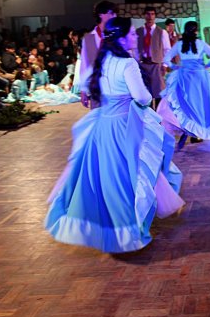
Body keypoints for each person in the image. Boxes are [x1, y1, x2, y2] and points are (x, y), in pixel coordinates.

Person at [45, 17, 184, 253]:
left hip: (102, 125)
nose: (134, 36)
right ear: (121, 38)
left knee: (101, 176)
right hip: (123, 126)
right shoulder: (127, 63)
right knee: (128, 176)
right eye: (131, 34)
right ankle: (124, 231)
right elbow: (142, 97)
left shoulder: (101, 60)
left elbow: (87, 87)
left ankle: (101, 225)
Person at [157, 21, 210, 150]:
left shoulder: (180, 44)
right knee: (199, 105)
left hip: (184, 76)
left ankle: (185, 128)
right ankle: (196, 132)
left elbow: (166, 59)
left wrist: (175, 67)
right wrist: (206, 66)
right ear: (195, 31)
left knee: (183, 104)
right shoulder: (201, 43)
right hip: (199, 77)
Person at [80, 1, 117, 108]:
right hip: (96, 87)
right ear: (101, 14)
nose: (115, 16)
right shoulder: (88, 38)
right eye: (111, 13)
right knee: (97, 115)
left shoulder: (117, 36)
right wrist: (83, 90)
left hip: (116, 87)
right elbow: (85, 65)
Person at [134, 6, 171, 109]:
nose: (150, 17)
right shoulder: (138, 31)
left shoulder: (162, 32)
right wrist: (137, 63)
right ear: (144, 16)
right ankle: (149, 114)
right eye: (148, 14)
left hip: (156, 64)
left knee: (159, 91)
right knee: (146, 92)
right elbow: (135, 49)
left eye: (152, 14)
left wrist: (165, 65)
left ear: (155, 16)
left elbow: (167, 49)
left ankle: (158, 114)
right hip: (143, 65)